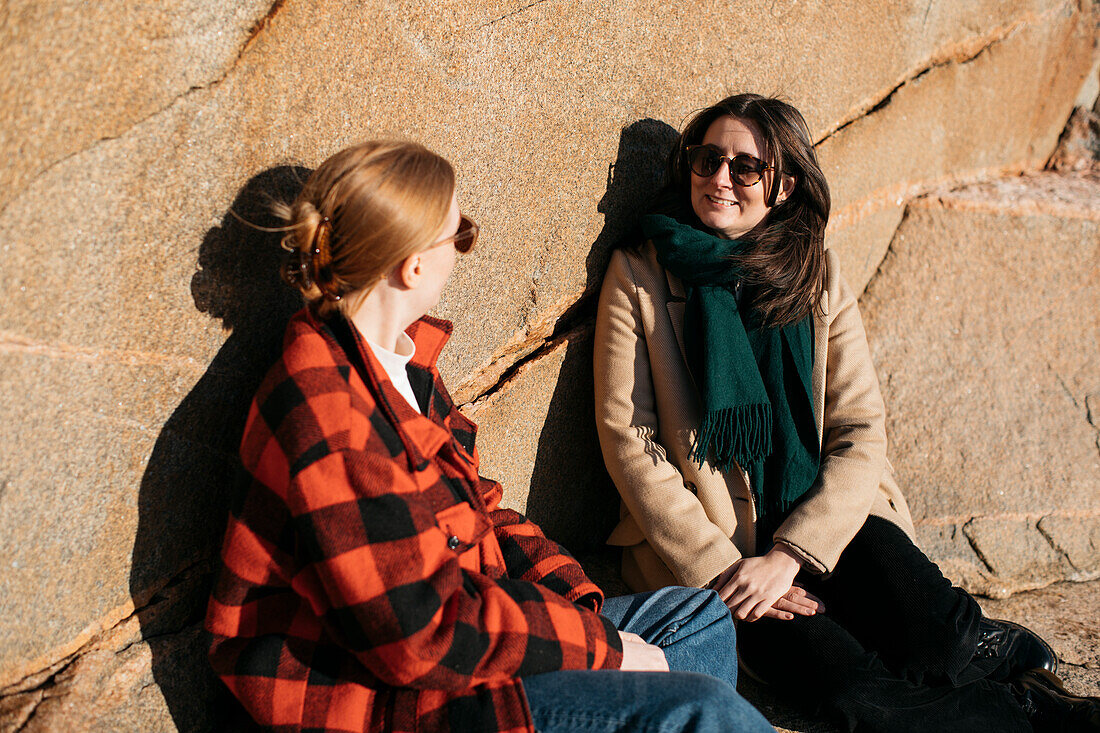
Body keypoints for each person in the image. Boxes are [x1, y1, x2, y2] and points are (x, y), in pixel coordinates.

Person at [205, 140, 775, 733]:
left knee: (700, 618)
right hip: (384, 703)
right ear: (414, 266)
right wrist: (601, 651)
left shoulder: (399, 363)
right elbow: (419, 636)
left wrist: (580, 611)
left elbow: (481, 509)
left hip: (465, 637)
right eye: (461, 233)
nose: (464, 249)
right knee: (699, 708)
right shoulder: (327, 413)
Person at [593, 93, 1100, 733]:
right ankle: (1031, 710)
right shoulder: (640, 271)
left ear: (785, 186)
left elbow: (860, 429)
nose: (719, 179)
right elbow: (630, 440)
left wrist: (792, 554)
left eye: (745, 168)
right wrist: (725, 569)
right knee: (855, 697)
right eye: (706, 160)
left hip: (830, 520)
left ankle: (972, 640)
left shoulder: (815, 270)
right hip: (725, 552)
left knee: (937, 645)